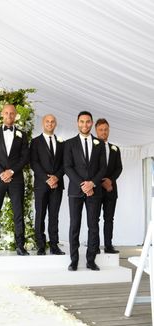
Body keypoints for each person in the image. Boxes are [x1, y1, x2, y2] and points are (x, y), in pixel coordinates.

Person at [0, 104, 29, 256]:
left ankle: (20, 246)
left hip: (16, 179)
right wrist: (1, 172)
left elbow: (25, 157)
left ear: (16, 115)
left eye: (12, 113)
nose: (9, 116)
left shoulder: (23, 134)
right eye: (6, 113)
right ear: (2, 114)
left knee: (18, 213)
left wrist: (12, 171)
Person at [64, 111, 106, 271]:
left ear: (91, 123)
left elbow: (103, 168)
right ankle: (73, 260)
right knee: (74, 225)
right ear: (77, 123)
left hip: (94, 192)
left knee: (93, 226)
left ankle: (90, 260)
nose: (85, 125)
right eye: (82, 121)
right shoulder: (69, 144)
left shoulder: (99, 144)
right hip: (76, 190)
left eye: (88, 122)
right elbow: (67, 167)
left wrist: (92, 184)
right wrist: (83, 184)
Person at [30, 114, 65, 255]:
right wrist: (47, 178)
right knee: (40, 215)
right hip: (41, 184)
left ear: (55, 124)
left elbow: (65, 164)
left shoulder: (62, 143)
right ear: (43, 123)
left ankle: (54, 245)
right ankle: (40, 245)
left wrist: (56, 177)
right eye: (47, 121)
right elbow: (34, 162)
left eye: (52, 122)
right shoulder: (35, 142)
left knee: (54, 215)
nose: (50, 124)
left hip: (57, 184)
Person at [95, 118, 122, 254]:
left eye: (106, 129)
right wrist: (101, 182)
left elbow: (119, 168)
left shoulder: (115, 149)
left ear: (109, 130)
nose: (103, 132)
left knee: (109, 218)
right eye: (101, 130)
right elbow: (90, 169)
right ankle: (94, 246)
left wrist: (110, 181)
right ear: (96, 131)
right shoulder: (91, 147)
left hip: (111, 189)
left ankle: (108, 245)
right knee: (94, 219)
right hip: (95, 189)